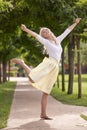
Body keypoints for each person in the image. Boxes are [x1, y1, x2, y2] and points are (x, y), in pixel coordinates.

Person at [11, 18, 81, 120]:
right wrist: (26, 29)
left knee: (46, 92)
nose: (45, 32)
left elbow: (67, 30)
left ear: (50, 31)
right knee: (32, 79)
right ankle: (22, 63)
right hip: (49, 64)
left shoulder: (58, 40)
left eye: (46, 30)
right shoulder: (45, 41)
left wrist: (75, 23)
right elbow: (35, 35)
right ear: (43, 35)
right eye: (43, 32)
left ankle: (43, 114)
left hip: (55, 67)